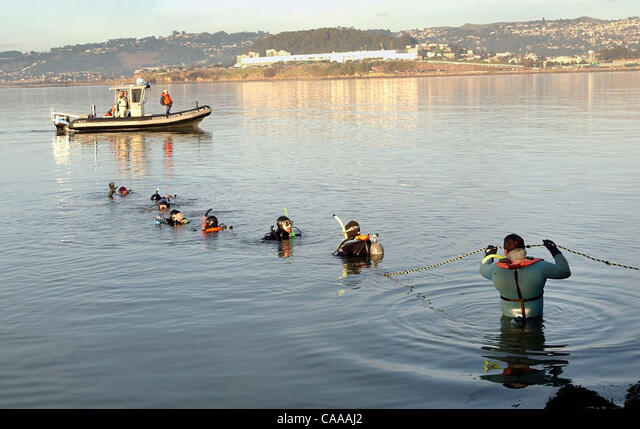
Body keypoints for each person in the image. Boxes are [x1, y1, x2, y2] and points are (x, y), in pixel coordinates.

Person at [480, 234, 571, 325]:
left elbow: (483, 268)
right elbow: (565, 271)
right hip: (535, 318)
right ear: (524, 249)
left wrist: (489, 254)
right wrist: (554, 250)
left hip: (508, 319)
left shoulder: (495, 270)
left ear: (505, 251)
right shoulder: (540, 266)